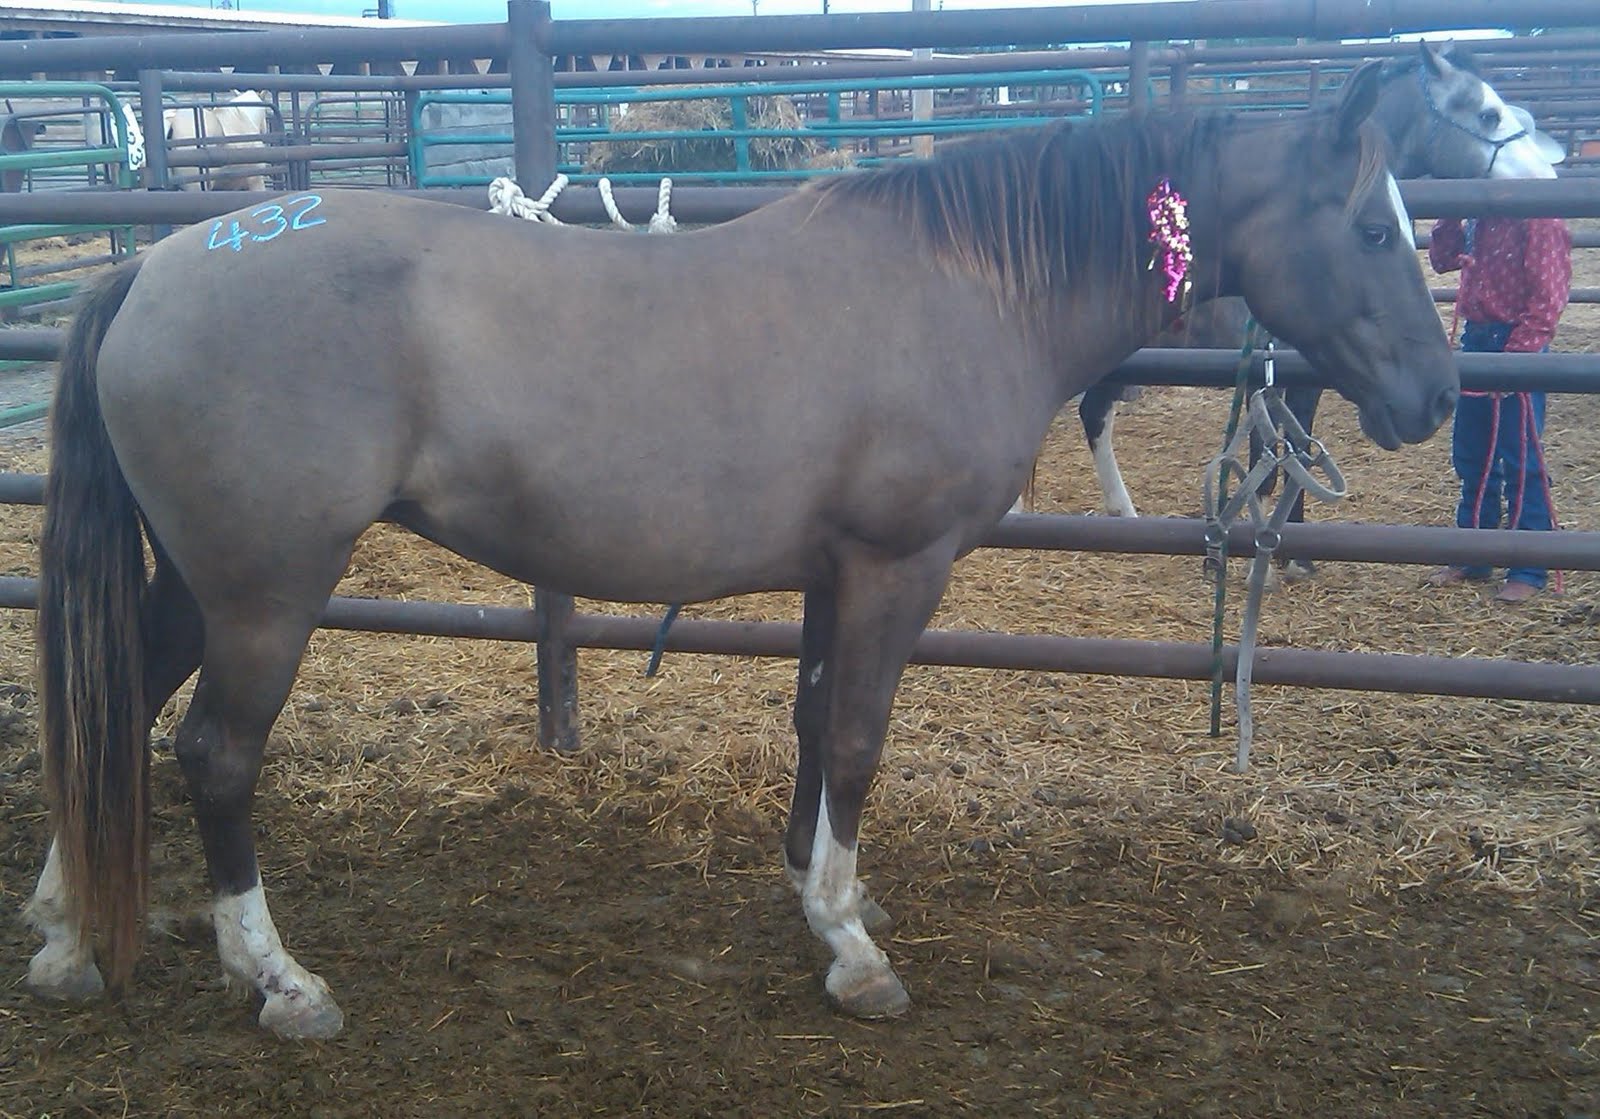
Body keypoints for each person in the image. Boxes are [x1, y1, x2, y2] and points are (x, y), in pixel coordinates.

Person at [1424, 208, 1572, 603]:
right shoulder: (1479, 212)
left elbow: (1548, 298)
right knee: (1472, 454)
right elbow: (1441, 261)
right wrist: (1451, 215)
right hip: (1477, 337)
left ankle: (1528, 565)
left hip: (1515, 338)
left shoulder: (1538, 217)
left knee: (1520, 456)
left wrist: (1516, 359)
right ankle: (1474, 553)